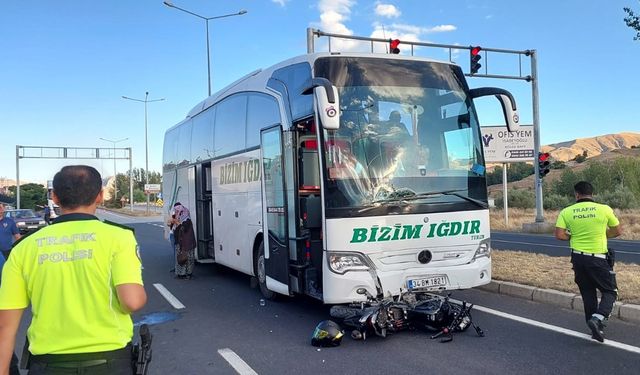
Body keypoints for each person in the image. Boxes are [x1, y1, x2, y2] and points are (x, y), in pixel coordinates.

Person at [0, 165, 147, 374]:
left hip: (47, 365)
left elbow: (5, 327)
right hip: (109, 361)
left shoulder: (24, 248)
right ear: (100, 196)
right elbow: (132, 301)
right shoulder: (119, 238)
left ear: (55, 197)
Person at [554, 181, 621, 343]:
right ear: (592, 194)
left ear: (576, 194)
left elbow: (560, 235)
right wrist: (602, 235)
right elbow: (617, 230)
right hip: (597, 258)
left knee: (588, 292)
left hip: (578, 258)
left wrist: (574, 236)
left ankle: (594, 327)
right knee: (610, 291)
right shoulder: (604, 209)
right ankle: (598, 319)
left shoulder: (567, 211)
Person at [170, 203, 196, 280]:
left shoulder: (187, 220)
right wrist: (173, 221)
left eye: (178, 211)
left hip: (187, 243)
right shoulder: (177, 217)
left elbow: (184, 229)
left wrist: (177, 223)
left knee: (188, 259)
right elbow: (172, 227)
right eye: (176, 210)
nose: (177, 212)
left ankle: (188, 274)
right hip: (180, 243)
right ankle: (180, 274)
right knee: (180, 258)